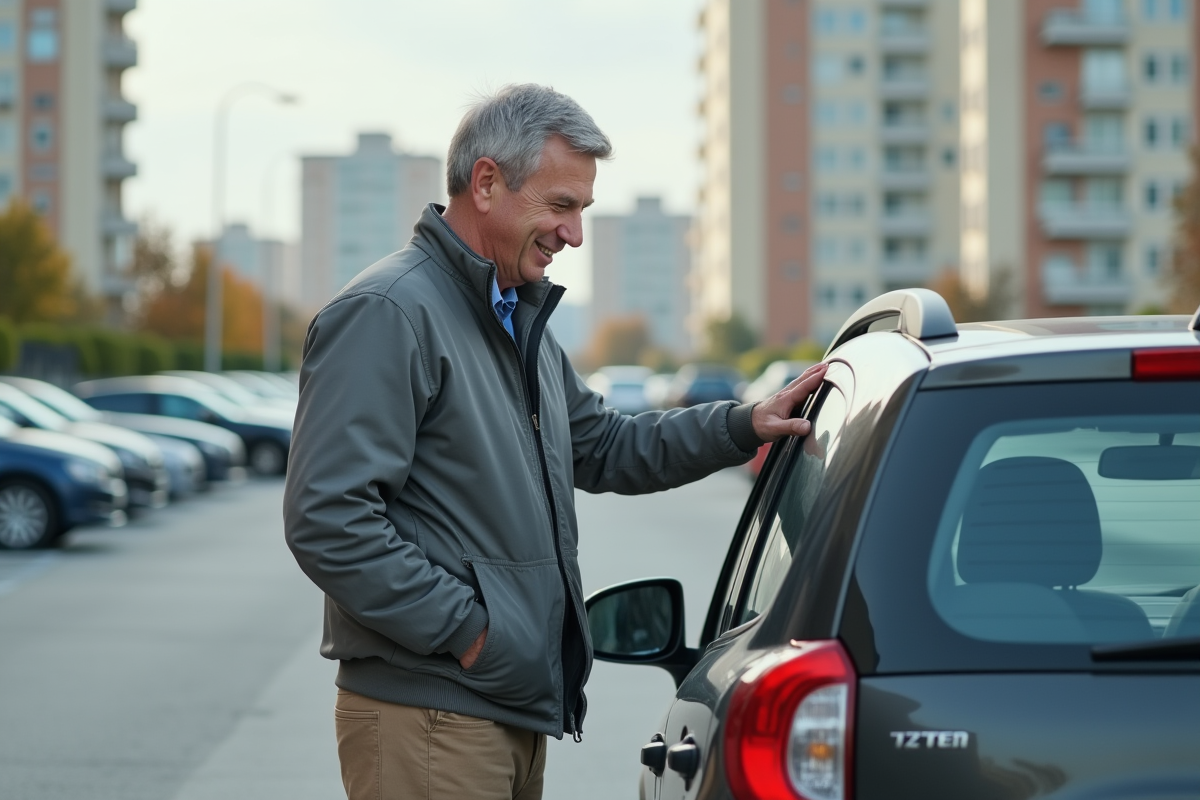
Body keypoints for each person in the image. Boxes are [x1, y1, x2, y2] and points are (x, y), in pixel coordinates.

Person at [283, 83, 828, 800]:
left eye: (583, 211)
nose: (573, 235)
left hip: (500, 706)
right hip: (434, 714)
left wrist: (741, 425)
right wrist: (469, 634)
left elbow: (604, 445)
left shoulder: (514, 319)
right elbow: (328, 519)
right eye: (561, 206)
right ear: (486, 183)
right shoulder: (388, 312)